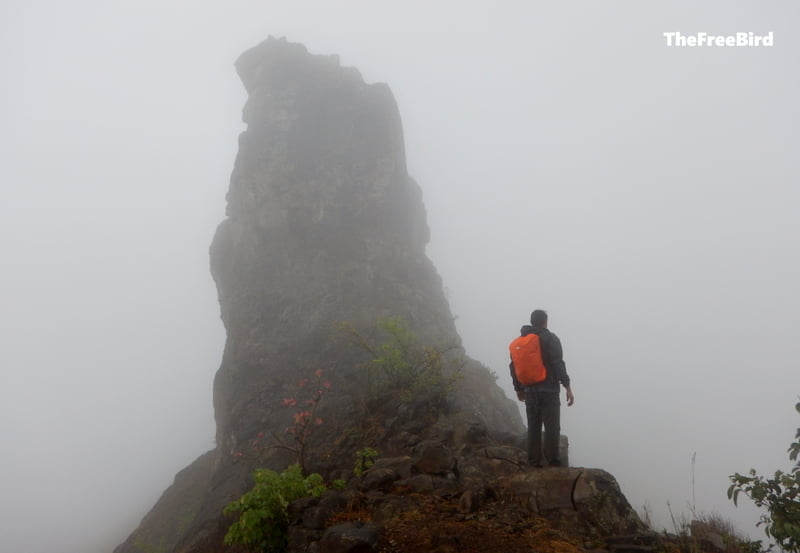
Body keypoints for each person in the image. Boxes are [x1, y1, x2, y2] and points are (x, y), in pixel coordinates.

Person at [510, 309, 574, 467]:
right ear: (545, 321)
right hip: (549, 390)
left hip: (530, 390)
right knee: (552, 427)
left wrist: (518, 388)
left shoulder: (519, 342)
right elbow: (558, 363)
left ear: (532, 321)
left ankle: (533, 462)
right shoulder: (550, 338)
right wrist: (567, 386)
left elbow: (513, 366)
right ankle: (552, 463)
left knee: (533, 427)